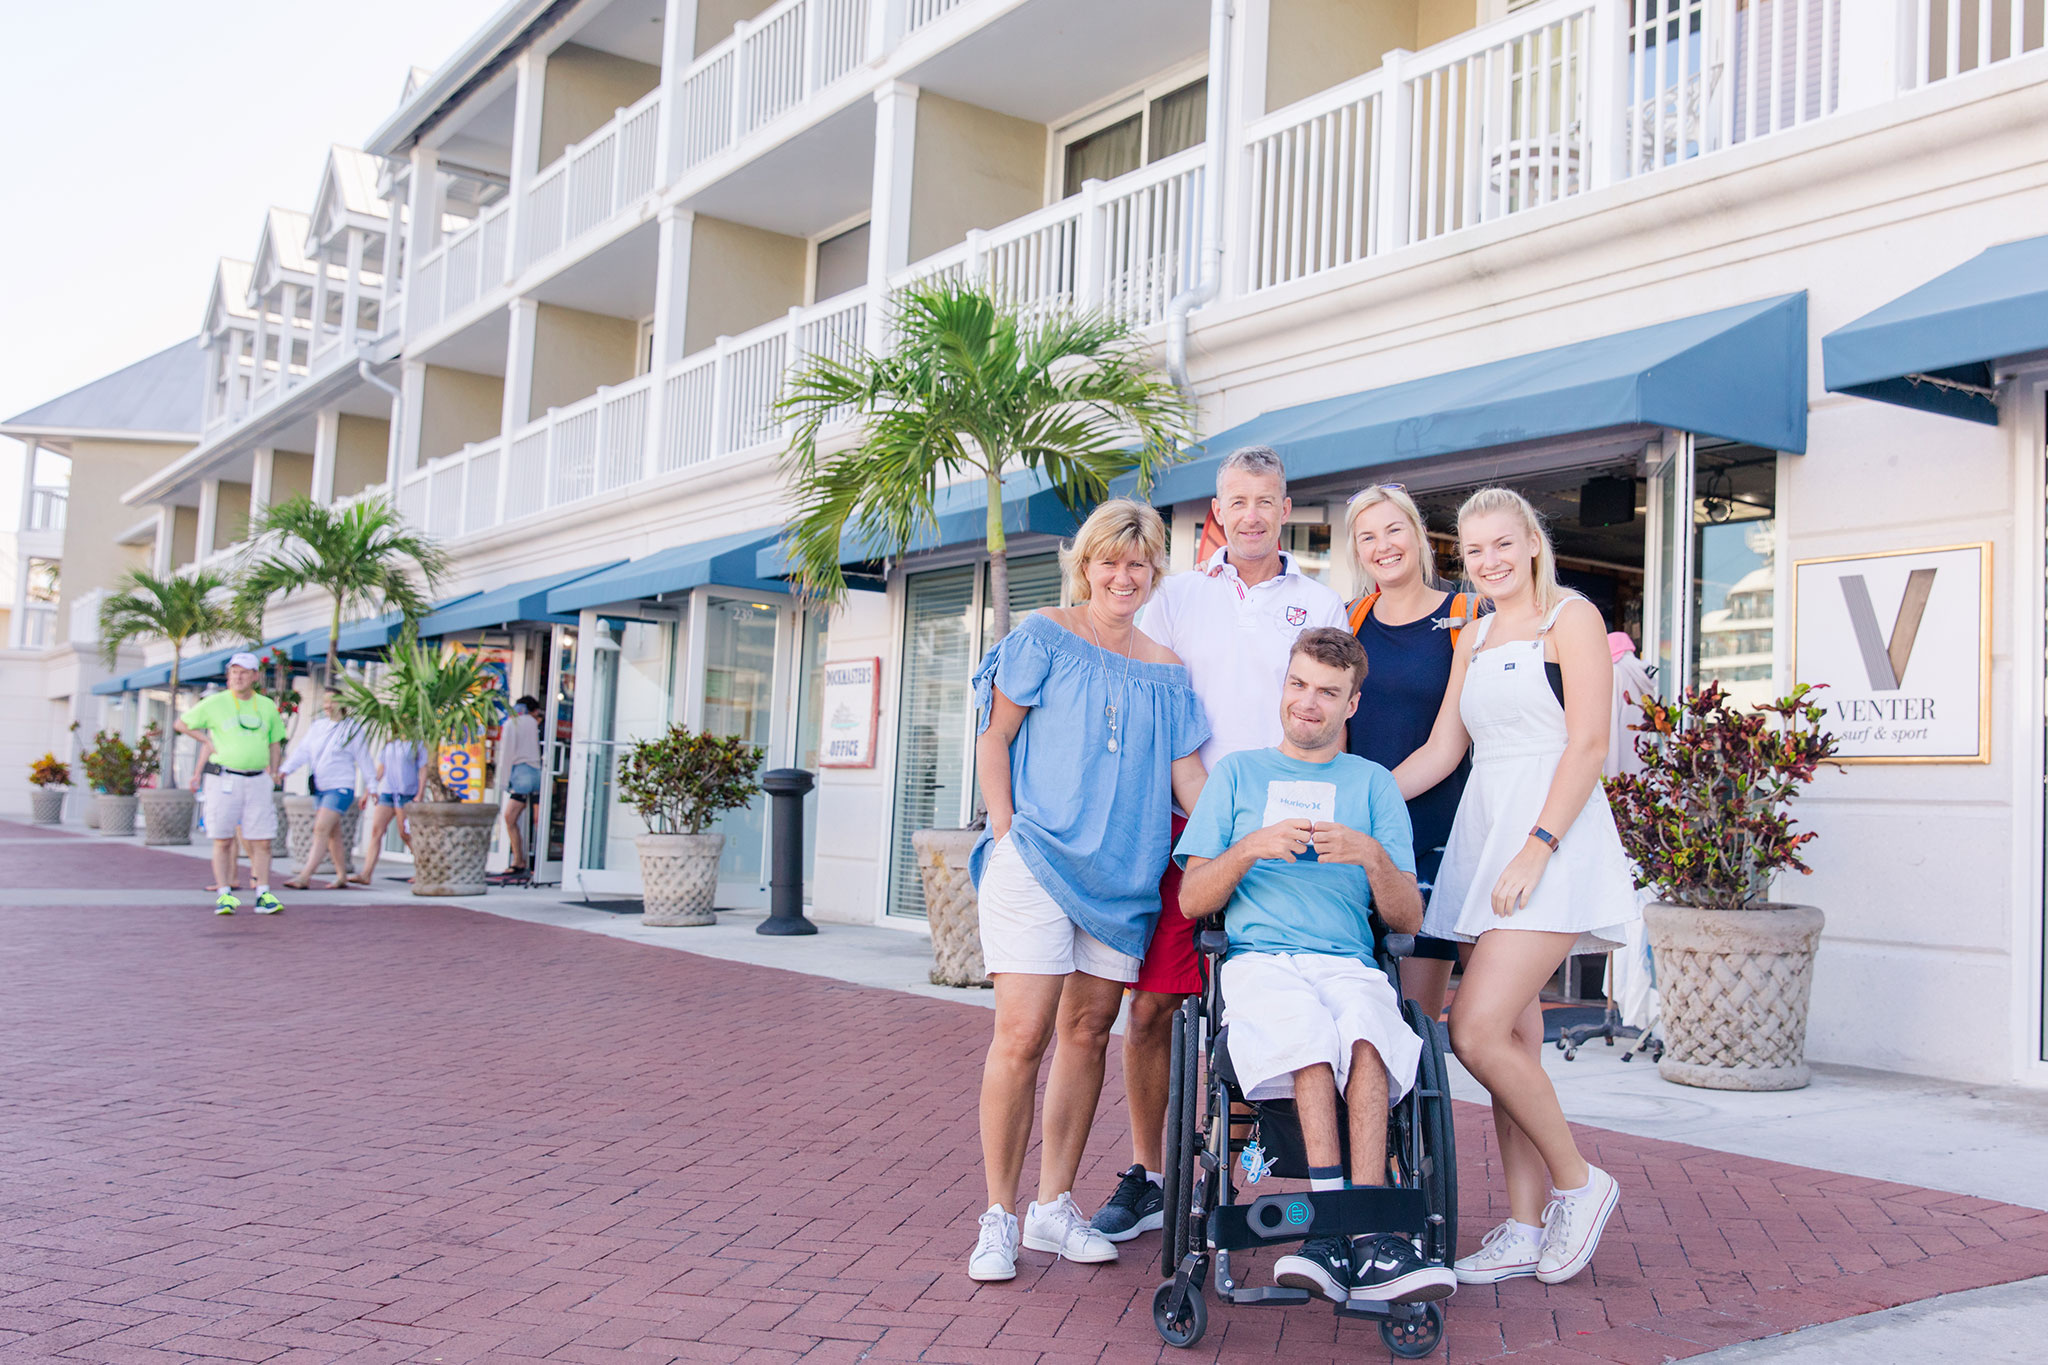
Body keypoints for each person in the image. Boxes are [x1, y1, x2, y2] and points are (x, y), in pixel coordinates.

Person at [1093, 445, 1347, 1246]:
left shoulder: (1321, 598)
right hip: (1189, 829)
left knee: (1267, 997)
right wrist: (1207, 813)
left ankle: (1243, 1164)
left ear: (1284, 506)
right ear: (1217, 509)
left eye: (1265, 499)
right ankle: (1150, 1172)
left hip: (1291, 834)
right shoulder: (1176, 598)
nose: (1250, 514)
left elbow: (1332, 716)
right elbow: (1148, 701)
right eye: (1236, 500)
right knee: (1155, 1005)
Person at [1391, 487, 1640, 1288]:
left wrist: (1537, 847)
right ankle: (1526, 1225)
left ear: (1531, 541)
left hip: (1549, 841)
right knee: (1514, 1044)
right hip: (1485, 834)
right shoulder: (1475, 628)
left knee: (1476, 1026)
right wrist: (1351, 797)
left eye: (1504, 543)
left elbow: (1589, 744)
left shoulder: (1573, 618)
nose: (1490, 561)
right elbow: (1441, 748)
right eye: (1475, 550)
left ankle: (1579, 1181)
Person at [1174, 628, 1456, 1306]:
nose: (1308, 702)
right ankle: (1331, 1227)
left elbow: (1406, 920)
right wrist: (1250, 848)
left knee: (1365, 1032)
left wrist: (1370, 855)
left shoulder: (1373, 785)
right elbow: (1191, 900)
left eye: (1327, 692)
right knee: (1303, 1032)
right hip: (1260, 959)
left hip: (1347, 961)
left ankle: (1365, 1237)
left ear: (1351, 704)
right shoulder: (1238, 774)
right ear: (1284, 689)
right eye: (1298, 685)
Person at [966, 499, 1209, 1283]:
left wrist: (1258, 834)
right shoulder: (1042, 635)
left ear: (1154, 572)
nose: (1123, 575)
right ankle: (998, 1216)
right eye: (1111, 560)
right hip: (1036, 860)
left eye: (1138, 563)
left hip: (1124, 878)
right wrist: (1005, 832)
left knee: (1088, 1029)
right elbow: (995, 736)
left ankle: (1052, 1205)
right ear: (1086, 564)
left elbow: (1189, 779)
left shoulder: (1167, 671)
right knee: (1023, 1033)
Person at [1341, 485, 1475, 1021]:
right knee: (1356, 1007)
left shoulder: (1467, 616)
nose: (1384, 545)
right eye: (1368, 536)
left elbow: (1449, 744)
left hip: (1432, 833)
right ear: (1357, 551)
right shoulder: (1350, 621)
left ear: (1419, 536)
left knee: (1414, 1017)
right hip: (1356, 834)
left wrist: (1368, 802)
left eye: (1394, 529)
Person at [178, 652, 289, 915]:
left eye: (244, 672)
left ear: (255, 676)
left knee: (262, 839)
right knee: (223, 838)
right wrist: (206, 741)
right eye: (233, 672)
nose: (238, 677)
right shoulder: (215, 703)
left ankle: (263, 892)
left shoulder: (266, 706)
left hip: (257, 779)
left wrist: (274, 770)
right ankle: (224, 894)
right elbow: (181, 724)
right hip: (224, 778)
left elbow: (275, 741)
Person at [280, 694, 376, 891]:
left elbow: (364, 758)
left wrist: (372, 786)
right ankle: (341, 875)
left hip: (341, 787)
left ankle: (304, 876)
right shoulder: (318, 727)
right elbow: (303, 751)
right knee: (334, 834)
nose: (327, 705)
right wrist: (285, 770)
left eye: (332, 701)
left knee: (321, 828)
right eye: (324, 701)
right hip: (320, 787)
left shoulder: (352, 728)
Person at [356, 738, 425, 885]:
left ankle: (424, 871)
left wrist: (420, 794)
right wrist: (368, 792)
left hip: (406, 793)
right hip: (387, 792)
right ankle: (366, 874)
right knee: (376, 831)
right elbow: (381, 769)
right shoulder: (390, 743)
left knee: (405, 834)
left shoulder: (417, 743)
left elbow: (423, 769)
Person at [497, 695, 543, 880]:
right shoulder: (537, 724)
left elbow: (506, 754)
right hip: (539, 772)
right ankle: (537, 862)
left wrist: (504, 780)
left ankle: (519, 860)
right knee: (538, 820)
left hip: (521, 774)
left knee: (510, 818)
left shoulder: (512, 724)